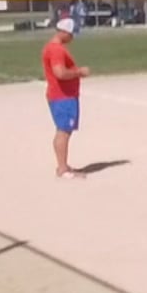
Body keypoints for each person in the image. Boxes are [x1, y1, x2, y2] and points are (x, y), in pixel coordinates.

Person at [42, 17, 90, 179]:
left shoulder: (53, 48)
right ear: (64, 32)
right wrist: (79, 72)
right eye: (71, 34)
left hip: (62, 96)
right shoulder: (57, 50)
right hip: (63, 97)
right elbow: (60, 73)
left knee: (62, 131)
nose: (72, 38)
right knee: (64, 131)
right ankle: (63, 169)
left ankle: (63, 165)